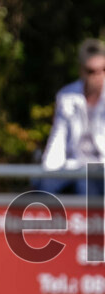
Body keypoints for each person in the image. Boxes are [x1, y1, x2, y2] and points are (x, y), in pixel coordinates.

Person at [40, 39, 105, 196]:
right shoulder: (66, 96)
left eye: (103, 69)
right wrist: (47, 171)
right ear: (81, 71)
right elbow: (58, 138)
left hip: (101, 168)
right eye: (91, 71)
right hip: (73, 165)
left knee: (86, 185)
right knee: (44, 186)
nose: (98, 76)